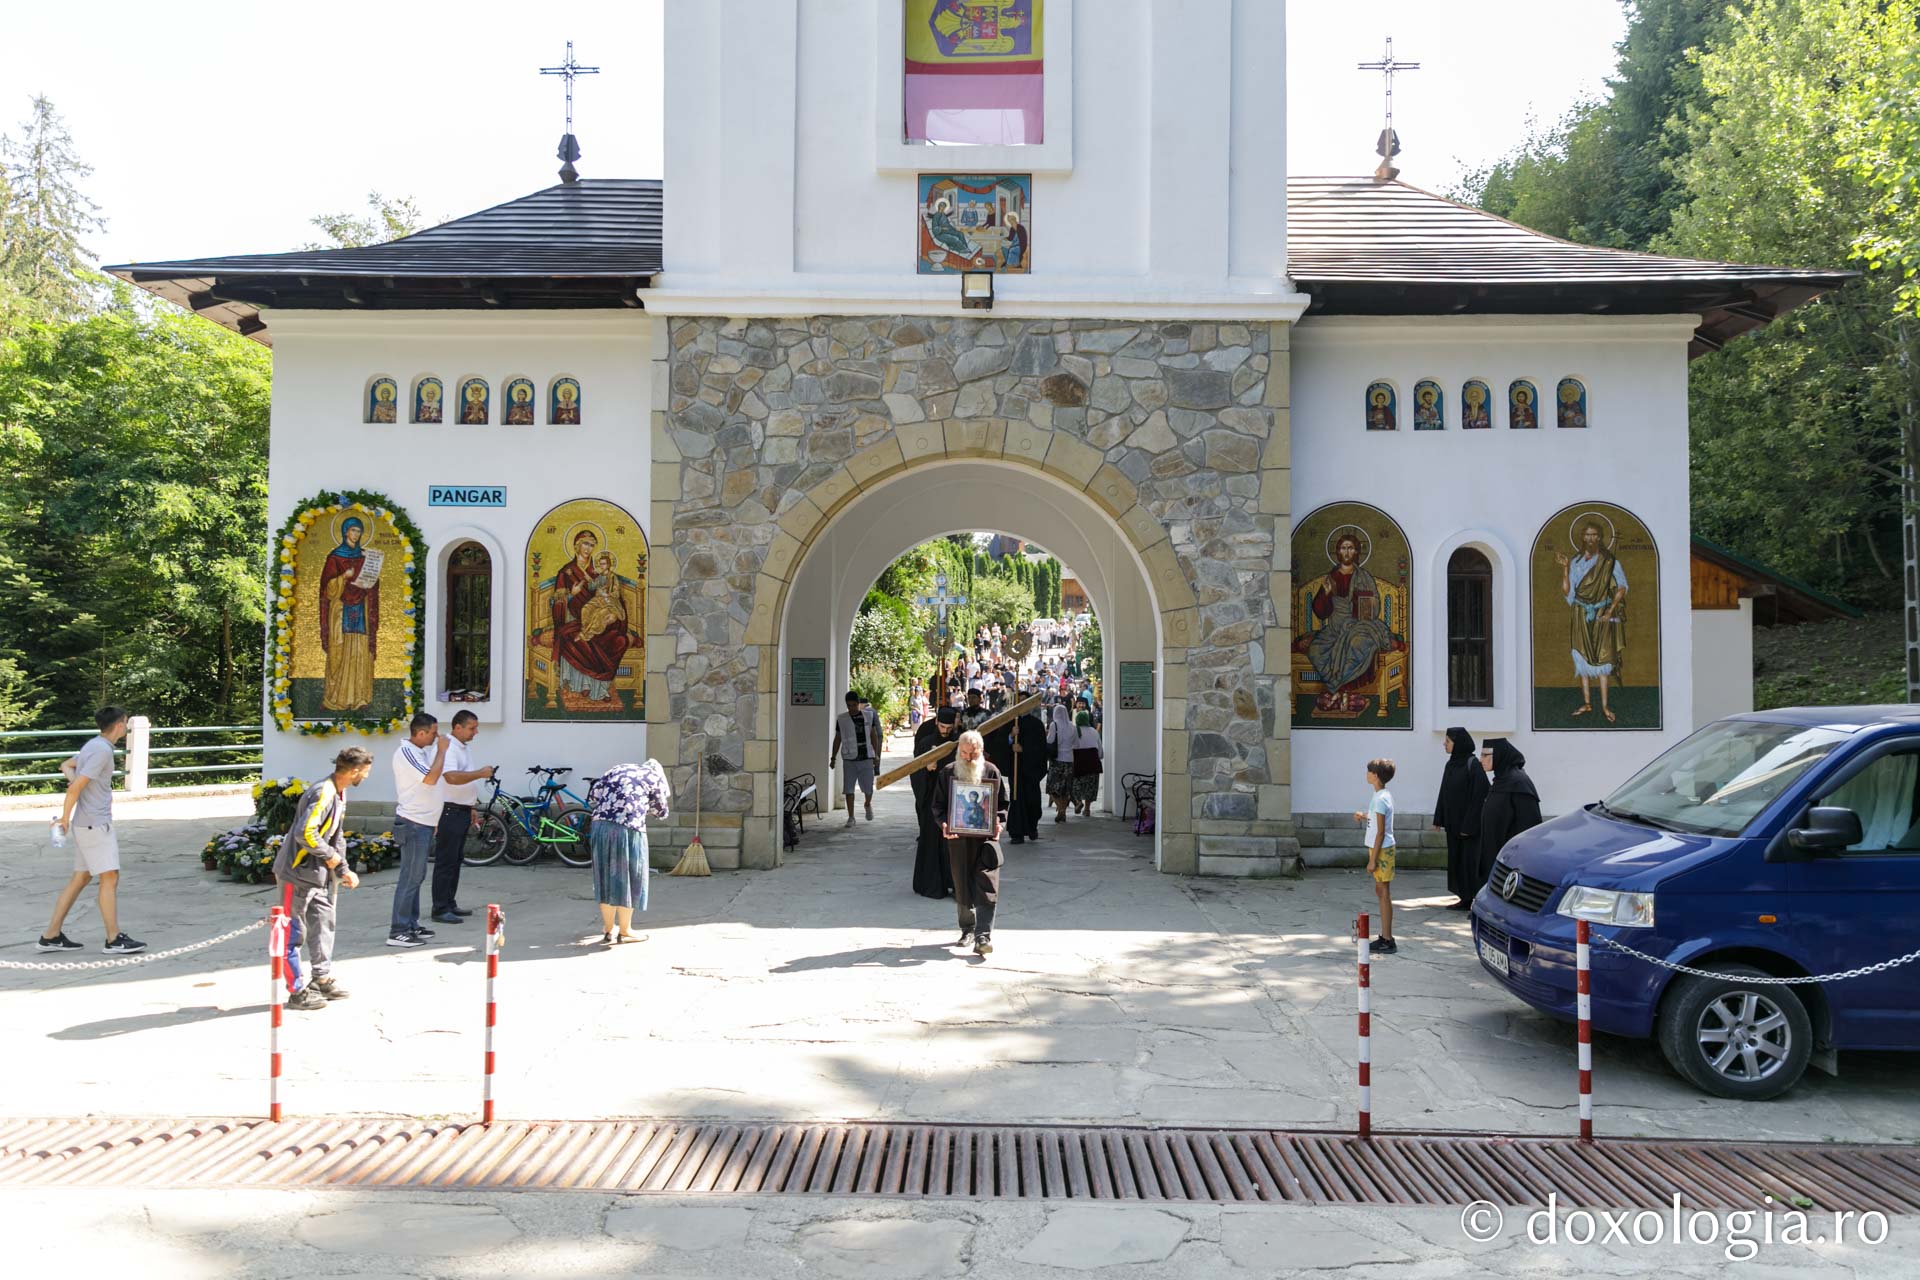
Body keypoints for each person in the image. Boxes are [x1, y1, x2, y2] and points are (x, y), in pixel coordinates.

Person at [38, 706, 145, 955]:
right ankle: (113, 938)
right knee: (109, 878)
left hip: (87, 824)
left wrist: (73, 781)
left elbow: (67, 765)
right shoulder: (101, 751)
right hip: (95, 824)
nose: (126, 727)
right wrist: (63, 818)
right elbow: (74, 788)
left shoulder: (93, 745)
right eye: (126, 723)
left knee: (81, 878)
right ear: (119, 725)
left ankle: (51, 935)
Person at [273, 746, 373, 1009]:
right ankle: (296, 992)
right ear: (353, 771)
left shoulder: (340, 792)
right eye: (365, 771)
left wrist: (342, 869)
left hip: (316, 875)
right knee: (292, 934)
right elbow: (305, 833)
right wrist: (331, 858)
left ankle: (321, 978)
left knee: (324, 923)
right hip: (295, 874)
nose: (366, 776)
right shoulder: (323, 793)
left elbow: (336, 836)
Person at [932, 730, 1008, 956]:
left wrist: (998, 822)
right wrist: (944, 824)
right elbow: (938, 806)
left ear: (981, 752)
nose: (967, 758)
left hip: (986, 840)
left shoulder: (992, 771)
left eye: (972, 754)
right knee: (962, 884)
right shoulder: (948, 773)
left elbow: (1002, 803)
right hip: (959, 840)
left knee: (987, 885)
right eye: (963, 753)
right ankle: (967, 929)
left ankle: (983, 935)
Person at [587, 759, 671, 944]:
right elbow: (661, 811)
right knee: (629, 877)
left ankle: (609, 929)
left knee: (605, 876)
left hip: (600, 827)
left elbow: (594, 795)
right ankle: (625, 930)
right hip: (628, 829)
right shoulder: (653, 776)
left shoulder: (616, 768)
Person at [429, 710, 499, 925]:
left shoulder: (462, 747)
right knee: (446, 861)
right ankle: (440, 908)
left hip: (460, 809)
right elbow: (450, 777)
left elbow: (463, 779)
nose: (475, 732)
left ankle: (449, 902)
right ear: (457, 727)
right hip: (448, 811)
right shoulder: (448, 747)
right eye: (472, 728)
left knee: (456, 860)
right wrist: (480, 773)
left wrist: (471, 806)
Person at [1556, 520, 1628, 723]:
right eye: (1587, 535)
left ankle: (1605, 706)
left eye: (1594, 534)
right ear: (1582, 537)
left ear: (1600, 537)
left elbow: (1621, 587)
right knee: (1582, 656)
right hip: (1580, 612)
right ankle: (1587, 703)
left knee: (1602, 658)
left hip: (1601, 613)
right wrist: (1565, 568)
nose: (1590, 538)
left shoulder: (1609, 561)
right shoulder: (1576, 562)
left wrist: (1610, 611)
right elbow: (1568, 592)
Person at [388, 713, 449, 948]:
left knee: (417, 876)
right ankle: (398, 930)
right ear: (421, 733)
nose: (437, 736)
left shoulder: (420, 752)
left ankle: (411, 924)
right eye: (434, 732)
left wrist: (433, 821)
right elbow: (431, 779)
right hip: (412, 823)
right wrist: (442, 751)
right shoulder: (406, 753)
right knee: (410, 877)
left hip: (423, 823)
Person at [318, 516, 379, 713]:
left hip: (361, 608)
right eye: (353, 530)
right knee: (339, 652)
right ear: (345, 532)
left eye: (359, 531)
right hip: (340, 609)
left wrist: (372, 576)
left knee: (359, 650)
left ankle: (359, 698)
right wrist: (344, 577)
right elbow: (327, 589)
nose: (356, 534)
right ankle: (336, 698)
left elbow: (373, 584)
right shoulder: (334, 557)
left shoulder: (365, 557)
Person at [1433, 727, 1490, 909]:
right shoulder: (1450, 764)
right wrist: (1439, 818)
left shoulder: (1473, 764)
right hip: (1453, 824)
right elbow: (1444, 792)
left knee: (1469, 862)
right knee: (1456, 860)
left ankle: (1474, 897)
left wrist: (1469, 824)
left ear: (1458, 744)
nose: (1445, 744)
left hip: (1468, 827)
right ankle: (1464, 897)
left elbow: (1480, 796)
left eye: (1448, 741)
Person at [1478, 739, 1544, 883]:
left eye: (1485, 755)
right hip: (1494, 849)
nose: (1480, 759)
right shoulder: (1501, 779)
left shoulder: (1519, 782)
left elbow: (1529, 823)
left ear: (1500, 755)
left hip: (1510, 856)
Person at [912, 707, 959, 898]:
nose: (945, 731)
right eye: (942, 726)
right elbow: (914, 772)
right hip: (932, 800)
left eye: (949, 728)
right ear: (936, 722)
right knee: (931, 841)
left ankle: (956, 884)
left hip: (954, 800)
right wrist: (927, 770)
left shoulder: (958, 744)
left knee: (955, 846)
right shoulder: (926, 743)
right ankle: (932, 884)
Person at [1355, 757, 1398, 954]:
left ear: (1376, 776)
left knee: (1384, 894)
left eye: (1370, 771)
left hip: (1381, 851)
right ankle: (1386, 936)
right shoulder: (1381, 795)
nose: (1367, 773)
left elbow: (1381, 832)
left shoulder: (1381, 799)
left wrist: (1372, 860)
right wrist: (1364, 816)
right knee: (1381, 892)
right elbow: (1378, 820)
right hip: (1380, 849)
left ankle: (1387, 939)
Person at [831, 689, 881, 826]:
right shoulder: (842, 719)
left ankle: (867, 803)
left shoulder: (868, 716)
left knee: (868, 788)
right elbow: (838, 738)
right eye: (849, 705)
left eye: (853, 705)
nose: (851, 708)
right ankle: (851, 817)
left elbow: (873, 735)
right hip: (849, 758)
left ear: (858, 704)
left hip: (866, 757)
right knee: (849, 789)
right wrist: (833, 757)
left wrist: (876, 753)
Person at [1007, 692, 1048, 844]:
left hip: (1031, 771)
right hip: (1016, 770)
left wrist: (1024, 749)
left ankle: (1032, 827)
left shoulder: (1037, 724)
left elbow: (1041, 749)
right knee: (1017, 799)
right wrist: (1011, 737)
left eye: (1025, 702)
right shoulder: (1011, 722)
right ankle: (1017, 832)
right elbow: (1000, 743)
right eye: (1020, 702)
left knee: (1032, 801)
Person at [1045, 702, 1076, 824]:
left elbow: (1051, 740)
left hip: (1057, 760)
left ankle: (1061, 811)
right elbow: (1076, 743)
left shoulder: (1054, 725)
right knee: (1065, 789)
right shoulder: (1072, 726)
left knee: (1052, 787)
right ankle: (1062, 812)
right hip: (1069, 760)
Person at [1068, 710, 1104, 816]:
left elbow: (1070, 748)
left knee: (1075, 786)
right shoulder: (1094, 731)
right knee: (1090, 787)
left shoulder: (1074, 731)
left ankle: (1078, 802)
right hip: (1093, 764)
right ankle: (1087, 809)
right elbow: (1100, 752)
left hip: (1078, 765)